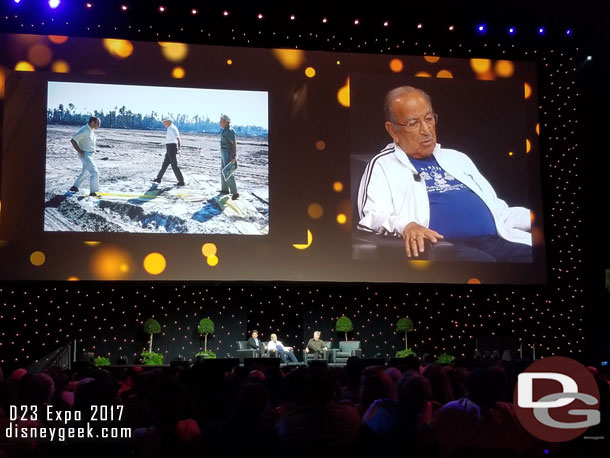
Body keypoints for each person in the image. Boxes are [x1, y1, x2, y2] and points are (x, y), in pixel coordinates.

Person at [357, 86, 532, 262]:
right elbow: (371, 217)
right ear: (393, 130)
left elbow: (500, 212)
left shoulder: (457, 158)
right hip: (446, 248)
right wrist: (407, 226)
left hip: (496, 241)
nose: (426, 130)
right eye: (413, 123)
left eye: (429, 118)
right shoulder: (383, 165)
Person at [70, 116, 101, 197]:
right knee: (94, 172)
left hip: (90, 154)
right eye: (98, 123)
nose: (99, 125)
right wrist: (79, 151)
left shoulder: (91, 130)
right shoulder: (84, 130)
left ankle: (74, 187)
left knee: (85, 173)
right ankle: (93, 192)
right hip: (85, 155)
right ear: (92, 122)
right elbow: (73, 140)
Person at [153, 117, 185, 186]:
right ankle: (158, 178)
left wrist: (179, 149)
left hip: (172, 148)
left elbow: (178, 139)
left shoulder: (173, 128)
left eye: (164, 122)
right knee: (165, 164)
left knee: (174, 166)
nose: (163, 123)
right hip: (169, 148)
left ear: (168, 121)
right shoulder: (169, 128)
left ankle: (181, 181)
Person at [219, 114, 238, 200]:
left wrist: (233, 156)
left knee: (228, 172)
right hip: (224, 152)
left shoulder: (229, 131)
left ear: (226, 122)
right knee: (223, 170)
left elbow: (233, 144)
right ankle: (225, 190)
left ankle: (235, 193)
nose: (220, 122)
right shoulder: (224, 130)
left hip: (228, 153)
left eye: (222, 121)